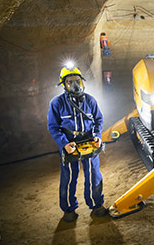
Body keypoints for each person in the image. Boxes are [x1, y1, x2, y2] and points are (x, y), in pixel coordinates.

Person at [47, 65, 108, 222]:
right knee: (69, 176)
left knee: (93, 173)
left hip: (88, 140)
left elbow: (98, 119)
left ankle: (96, 204)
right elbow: (53, 127)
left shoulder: (90, 100)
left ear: (82, 82)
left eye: (77, 81)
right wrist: (64, 144)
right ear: (64, 85)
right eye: (70, 82)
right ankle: (68, 209)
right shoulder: (57, 103)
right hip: (69, 143)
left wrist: (97, 136)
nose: (75, 85)